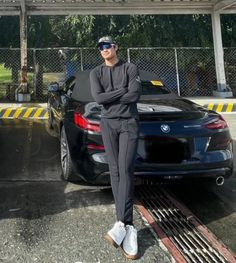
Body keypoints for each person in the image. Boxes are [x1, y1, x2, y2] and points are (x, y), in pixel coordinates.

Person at [89, 36, 141, 260]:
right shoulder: (96, 73)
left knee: (126, 169)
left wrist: (113, 97)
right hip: (108, 125)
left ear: (116, 47)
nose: (104, 49)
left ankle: (124, 223)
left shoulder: (130, 68)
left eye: (107, 45)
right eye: (101, 47)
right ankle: (125, 224)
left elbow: (135, 94)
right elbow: (98, 98)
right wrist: (121, 91)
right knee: (115, 171)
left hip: (128, 124)